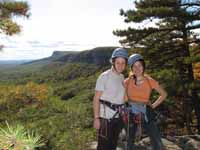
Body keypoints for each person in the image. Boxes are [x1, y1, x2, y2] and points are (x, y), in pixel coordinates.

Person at [124, 53, 167, 150]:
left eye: (139, 65)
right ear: (131, 68)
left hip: (145, 111)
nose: (137, 68)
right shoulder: (127, 81)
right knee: (130, 139)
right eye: (134, 66)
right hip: (131, 111)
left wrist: (153, 106)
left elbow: (164, 94)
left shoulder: (149, 80)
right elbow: (120, 94)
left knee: (155, 138)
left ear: (143, 66)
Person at [93, 47, 128, 150]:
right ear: (113, 62)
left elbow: (122, 98)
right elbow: (96, 99)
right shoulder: (104, 76)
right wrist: (96, 118)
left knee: (113, 145)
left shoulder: (121, 77)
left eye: (123, 63)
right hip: (105, 118)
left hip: (118, 118)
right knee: (103, 146)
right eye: (118, 62)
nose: (120, 65)